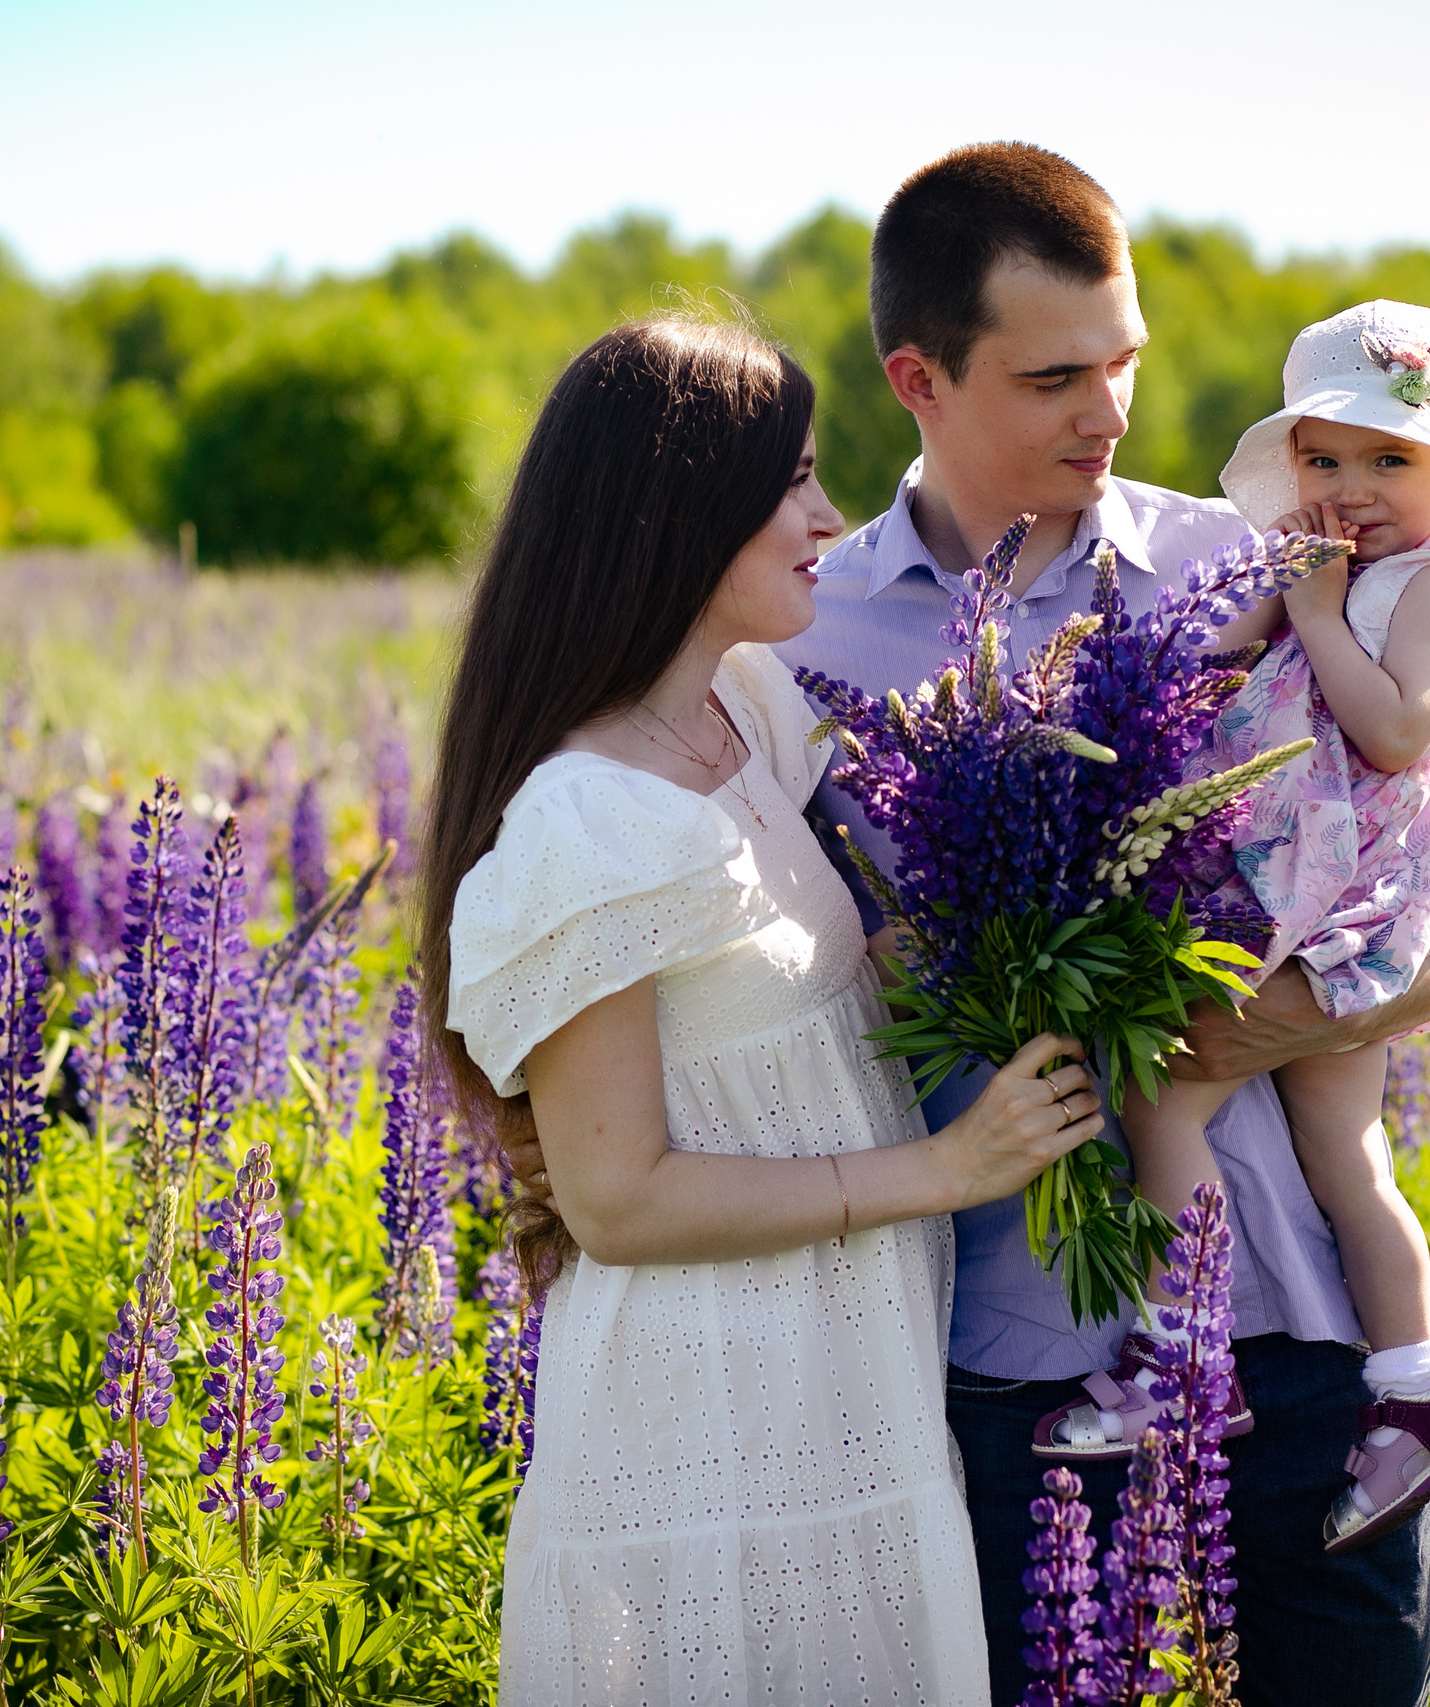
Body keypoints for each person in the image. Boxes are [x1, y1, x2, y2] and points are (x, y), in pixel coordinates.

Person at [762, 145, 1430, 1706]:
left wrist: (1282, 1018)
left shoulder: (1257, 559)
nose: (1106, 411)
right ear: (919, 378)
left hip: (1301, 1330)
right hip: (1015, 1351)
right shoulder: (798, 629)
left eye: (1123, 363)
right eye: (1055, 377)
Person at [419, 317, 1110, 1705]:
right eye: (790, 483)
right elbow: (618, 1197)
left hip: (847, 1376)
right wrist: (945, 1167)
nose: (828, 518)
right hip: (714, 1419)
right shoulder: (589, 821)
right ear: (676, 518)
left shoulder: (747, 709)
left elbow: (795, 982)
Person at [1118, 300, 1430, 1555]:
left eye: (1388, 458)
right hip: (1296, 881)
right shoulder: (1324, 568)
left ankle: (1187, 1359)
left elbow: (1399, 729)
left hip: (1347, 899)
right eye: (1322, 457)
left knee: (1167, 1099)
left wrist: (1310, 614)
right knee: (1338, 1153)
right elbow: (1206, 670)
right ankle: (1414, 1390)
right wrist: (1257, 605)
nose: (1350, 488)